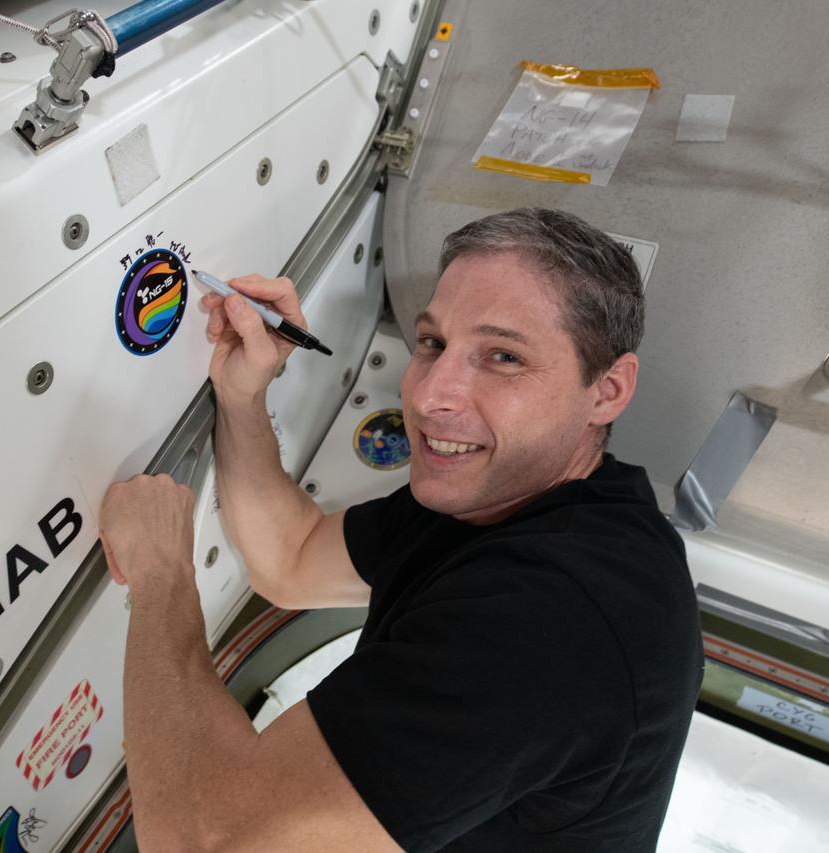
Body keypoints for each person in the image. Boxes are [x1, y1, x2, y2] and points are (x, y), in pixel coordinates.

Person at [99, 208, 702, 851]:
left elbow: (203, 841)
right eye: (434, 343)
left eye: (503, 356)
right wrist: (243, 395)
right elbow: (292, 559)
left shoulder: (560, 616)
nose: (429, 395)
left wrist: (162, 573)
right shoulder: (496, 498)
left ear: (607, 390)